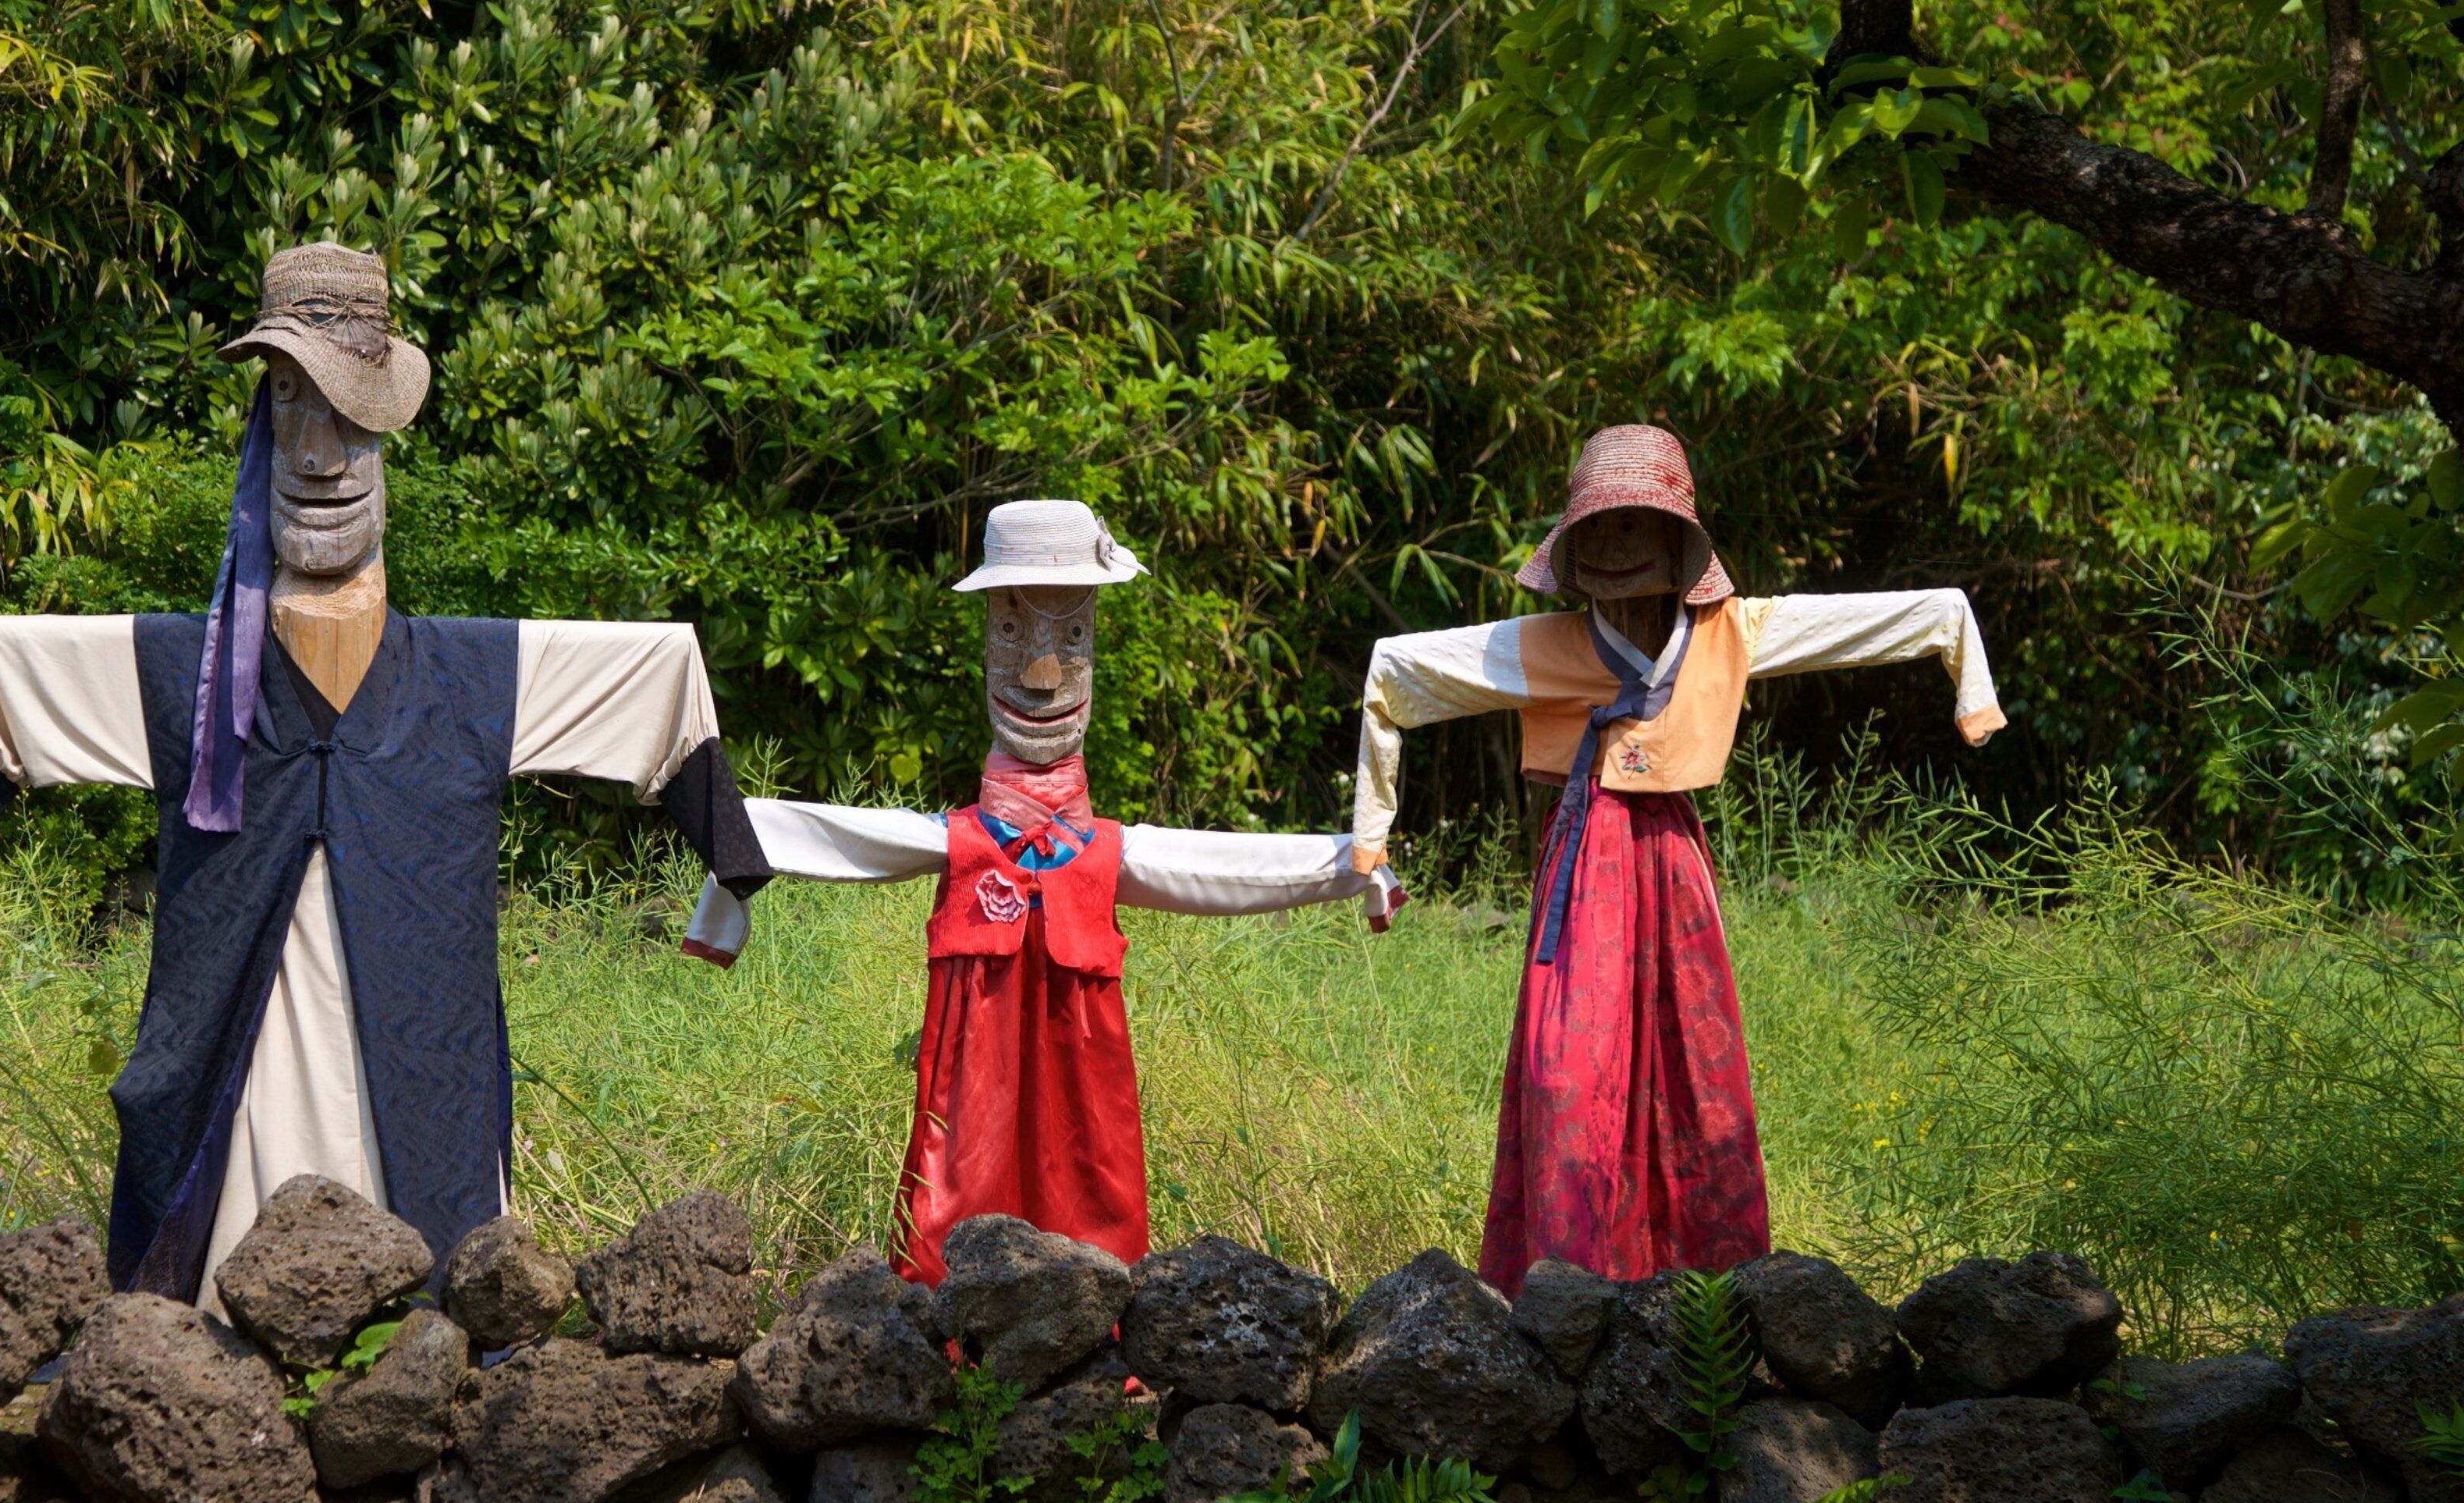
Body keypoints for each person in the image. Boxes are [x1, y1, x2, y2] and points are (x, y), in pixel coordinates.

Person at [0, 243, 769, 1304]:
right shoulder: (191, 676)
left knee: (422, 1315)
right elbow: (13, 677)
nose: (319, 456)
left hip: (418, 1089)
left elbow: (657, 682)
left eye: (347, 419)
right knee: (217, 1319)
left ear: (386, 439)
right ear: (261, 427)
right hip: (227, 1100)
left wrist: (730, 867)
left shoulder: (468, 676)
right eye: (292, 408)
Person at [1348, 425, 2006, 1294]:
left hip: (1672, 865)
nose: (1620, 545)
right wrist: (1371, 841)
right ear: (1575, 547)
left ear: (1677, 542)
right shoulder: (1537, 645)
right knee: (1568, 1075)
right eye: (1603, 527)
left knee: (1693, 1072)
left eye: (1638, 525)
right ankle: (1565, 1288)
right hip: (1584, 868)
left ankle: (1704, 1298)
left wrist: (1969, 678)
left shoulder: (1732, 633)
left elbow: (1896, 616)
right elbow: (1395, 672)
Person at [682, 500, 1401, 1282]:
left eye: (1073, 639)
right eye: (1012, 635)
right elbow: (828, 835)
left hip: (1085, 1092)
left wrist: (1352, 863)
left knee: (1092, 1183)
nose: (1042, 673)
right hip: (969, 1099)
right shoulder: (959, 843)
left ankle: (1090, 1329)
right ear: (984, 645)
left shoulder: (1104, 852)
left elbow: (1217, 866)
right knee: (955, 1180)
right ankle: (946, 1336)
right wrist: (731, 852)